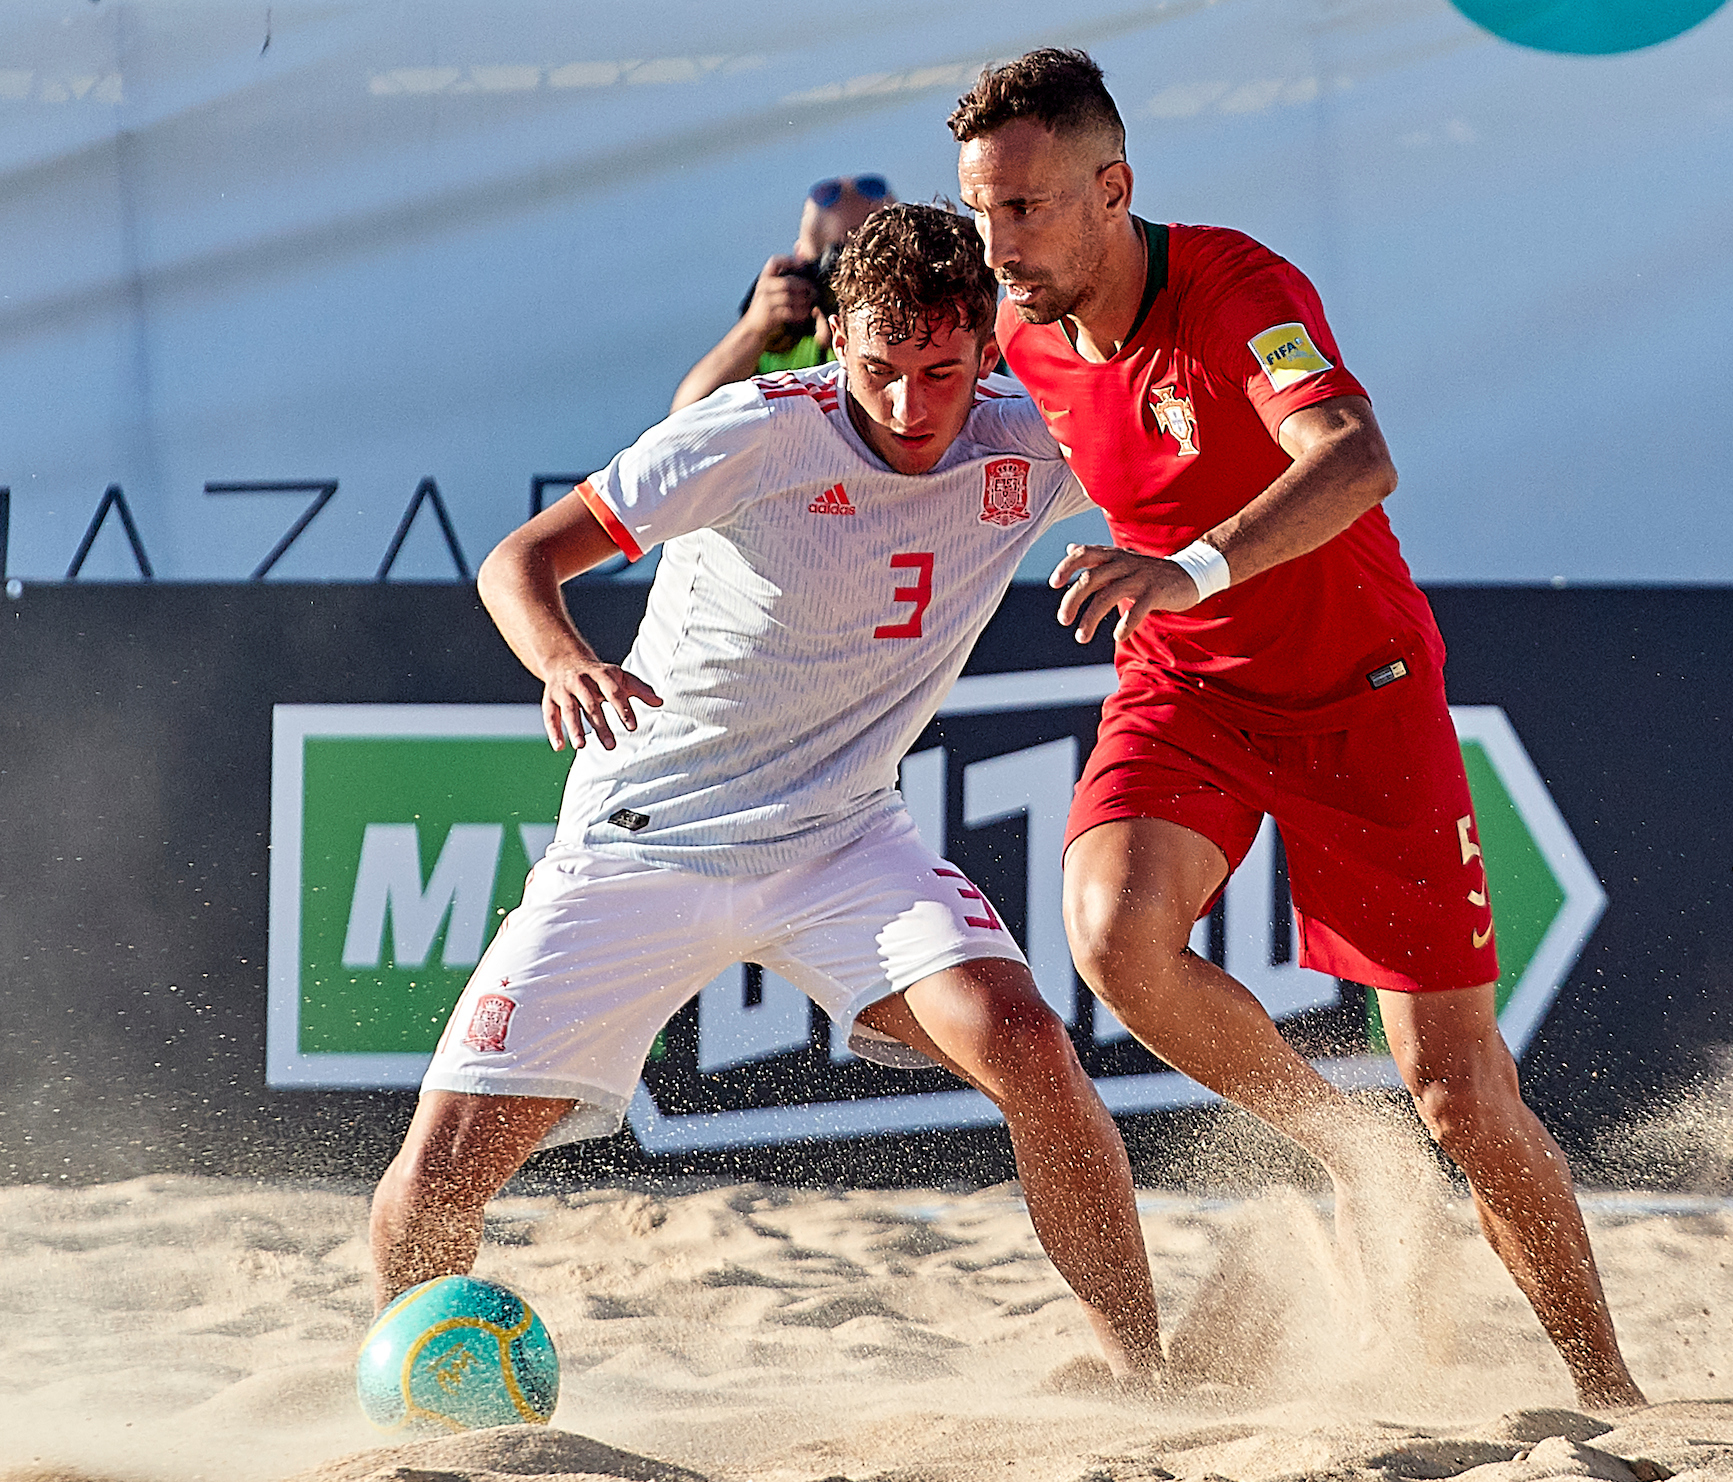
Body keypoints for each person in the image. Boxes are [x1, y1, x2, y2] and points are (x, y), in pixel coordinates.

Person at [949, 49, 1644, 1410]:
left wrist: (1190, 566)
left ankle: (1608, 1393)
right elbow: (874, 401)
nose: (999, 243)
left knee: (1461, 1093)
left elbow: (1358, 459)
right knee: (1113, 936)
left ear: (1113, 191)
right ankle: (1350, 1151)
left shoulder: (1234, 288)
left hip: (1360, 697)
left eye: (1024, 208)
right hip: (1191, 688)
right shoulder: (1017, 332)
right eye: (982, 210)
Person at [370, 203, 1163, 1382]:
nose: (909, 406)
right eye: (881, 369)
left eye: (942, 373)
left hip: (844, 840)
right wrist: (565, 659)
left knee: (1033, 1049)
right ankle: (414, 1401)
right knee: (440, 1177)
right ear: (836, 337)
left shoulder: (1030, 441)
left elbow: (1198, 438)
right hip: (642, 840)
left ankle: (1145, 1382)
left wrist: (1193, 557)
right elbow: (517, 560)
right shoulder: (753, 430)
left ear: (987, 347)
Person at [672, 174, 895, 413]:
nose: (851, 282)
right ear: (801, 264)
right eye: (833, 263)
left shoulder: (913, 335)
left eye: (874, 261)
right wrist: (753, 329)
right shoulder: (782, 348)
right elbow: (685, 419)